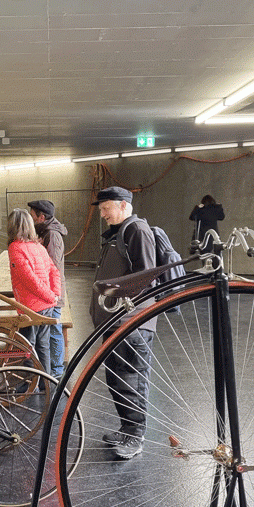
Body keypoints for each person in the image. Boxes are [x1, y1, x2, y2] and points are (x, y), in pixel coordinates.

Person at [91, 186, 156, 460]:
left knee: (132, 378)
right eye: (102, 210)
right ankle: (126, 427)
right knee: (116, 378)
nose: (103, 214)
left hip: (132, 323)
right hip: (116, 323)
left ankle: (135, 436)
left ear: (123, 205)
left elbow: (147, 277)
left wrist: (119, 297)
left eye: (106, 209)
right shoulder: (119, 233)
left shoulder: (136, 231)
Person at [6, 208, 63, 378]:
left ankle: (28, 383)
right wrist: (55, 294)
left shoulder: (15, 248)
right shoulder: (38, 246)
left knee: (27, 346)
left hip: (30, 307)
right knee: (42, 345)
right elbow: (54, 271)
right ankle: (45, 381)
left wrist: (50, 296)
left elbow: (29, 280)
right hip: (46, 305)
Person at [28, 199, 68, 375]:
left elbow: (52, 267)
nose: (30, 219)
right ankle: (51, 368)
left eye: (32, 216)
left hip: (53, 293)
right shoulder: (44, 232)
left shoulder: (52, 235)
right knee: (51, 330)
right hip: (49, 293)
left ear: (41, 217)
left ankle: (57, 370)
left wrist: (51, 295)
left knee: (54, 330)